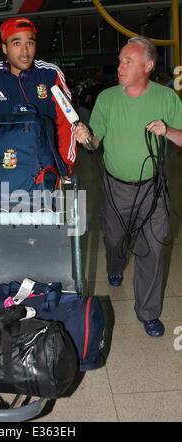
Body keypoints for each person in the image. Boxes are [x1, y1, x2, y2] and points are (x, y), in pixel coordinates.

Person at [74, 36, 182, 338]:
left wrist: (168, 130)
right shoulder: (107, 98)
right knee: (114, 238)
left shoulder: (166, 98)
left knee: (156, 245)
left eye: (128, 61)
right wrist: (86, 137)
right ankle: (116, 264)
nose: (120, 66)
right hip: (115, 187)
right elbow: (95, 142)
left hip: (154, 188)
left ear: (147, 66)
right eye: (120, 60)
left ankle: (148, 312)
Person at [0, 16, 76, 177]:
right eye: (17, 43)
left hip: (48, 170)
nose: (25, 51)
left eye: (30, 43)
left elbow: (67, 122)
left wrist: (64, 165)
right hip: (6, 172)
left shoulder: (51, 74)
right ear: (5, 48)